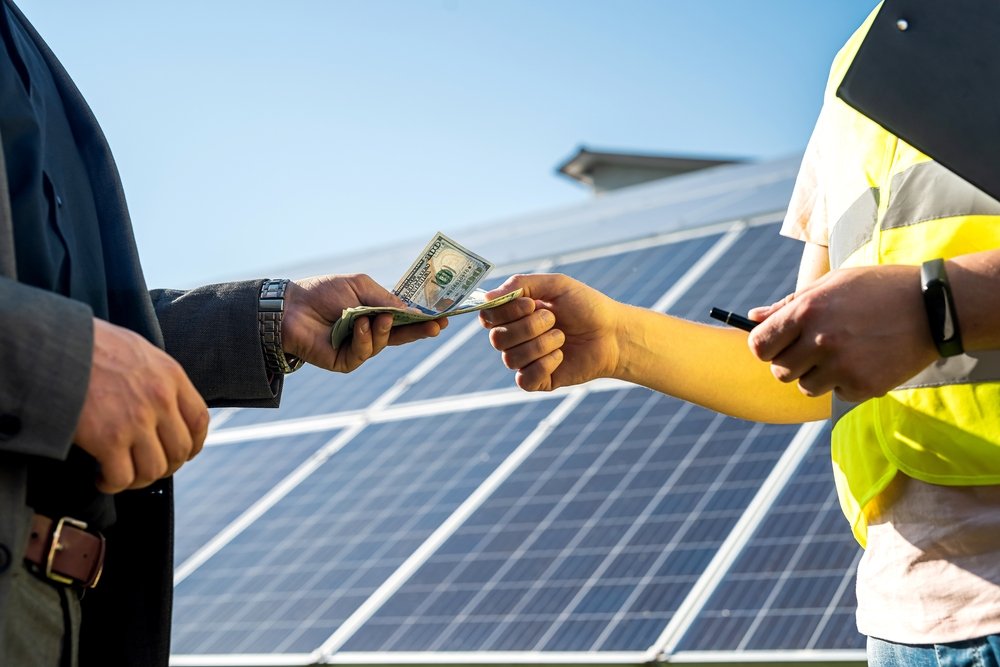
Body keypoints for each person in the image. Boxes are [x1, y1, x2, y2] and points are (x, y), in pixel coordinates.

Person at [480, 7, 1000, 667]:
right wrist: (618, 339)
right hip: (907, 621)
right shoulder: (858, 67)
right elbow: (810, 367)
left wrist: (937, 307)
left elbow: (911, 315)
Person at [0, 1, 446, 666]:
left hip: (69, 614)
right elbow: (80, 351)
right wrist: (59, 361)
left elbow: (88, 321)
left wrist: (270, 315)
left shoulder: (23, 42)